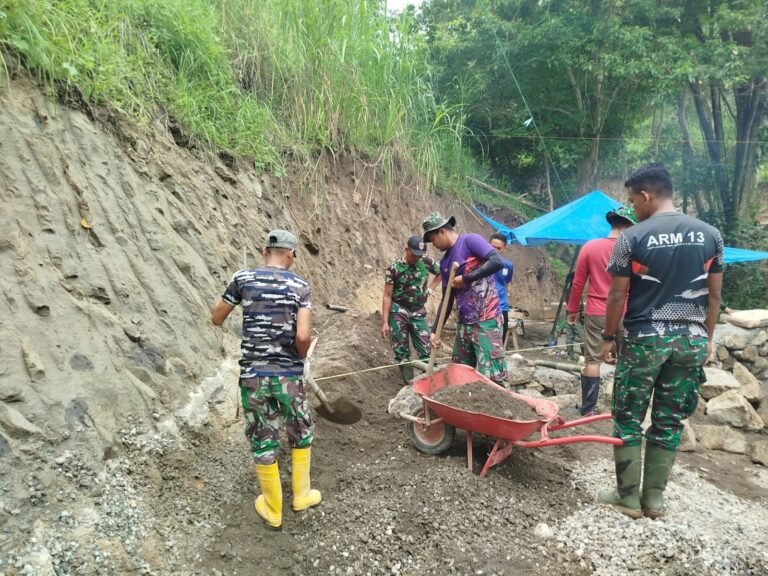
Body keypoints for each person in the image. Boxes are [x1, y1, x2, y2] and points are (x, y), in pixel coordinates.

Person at [599, 164, 723, 519]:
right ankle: (653, 500)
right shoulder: (710, 234)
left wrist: (609, 337)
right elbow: (714, 298)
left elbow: (616, 296)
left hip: (645, 340)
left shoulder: (631, 238)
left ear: (647, 195)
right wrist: (707, 338)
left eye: (633, 199)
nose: (632, 207)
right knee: (669, 420)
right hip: (692, 340)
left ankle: (627, 498)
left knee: (628, 419)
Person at [211, 230, 320, 530]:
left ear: (264, 251)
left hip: (254, 376)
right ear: (291, 255)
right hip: (288, 375)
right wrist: (301, 358)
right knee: (300, 428)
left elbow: (217, 317)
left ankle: (273, 509)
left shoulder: (243, 279)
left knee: (262, 436)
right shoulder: (300, 286)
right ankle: (302, 495)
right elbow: (302, 336)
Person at [565, 206, 638, 416]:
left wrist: (572, 309)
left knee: (592, 360)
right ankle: (621, 410)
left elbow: (578, 283)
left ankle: (588, 410)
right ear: (627, 225)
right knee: (625, 361)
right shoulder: (632, 251)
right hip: (626, 312)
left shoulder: (590, 246)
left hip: (596, 311)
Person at [422, 212, 507, 384]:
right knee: (459, 374)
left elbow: (497, 261)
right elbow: (446, 300)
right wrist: (434, 331)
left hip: (486, 320)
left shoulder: (470, 241)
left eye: (433, 239)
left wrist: (466, 278)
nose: (434, 244)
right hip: (464, 324)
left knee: (491, 377)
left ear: (441, 231)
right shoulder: (445, 263)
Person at [381, 235, 441, 384]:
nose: (417, 258)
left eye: (419, 255)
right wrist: (385, 322)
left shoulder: (425, 262)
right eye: (414, 255)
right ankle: (409, 383)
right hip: (398, 310)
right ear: (406, 249)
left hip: (418, 311)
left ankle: (431, 383)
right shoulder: (394, 268)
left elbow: (442, 272)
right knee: (401, 350)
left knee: (427, 347)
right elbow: (387, 295)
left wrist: (430, 290)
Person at [489, 233, 515, 346]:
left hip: (501, 306)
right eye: (492, 247)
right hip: (484, 307)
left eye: (498, 248)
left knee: (499, 341)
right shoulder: (480, 261)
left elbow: (506, 282)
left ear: (504, 248)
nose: (495, 250)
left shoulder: (508, 265)